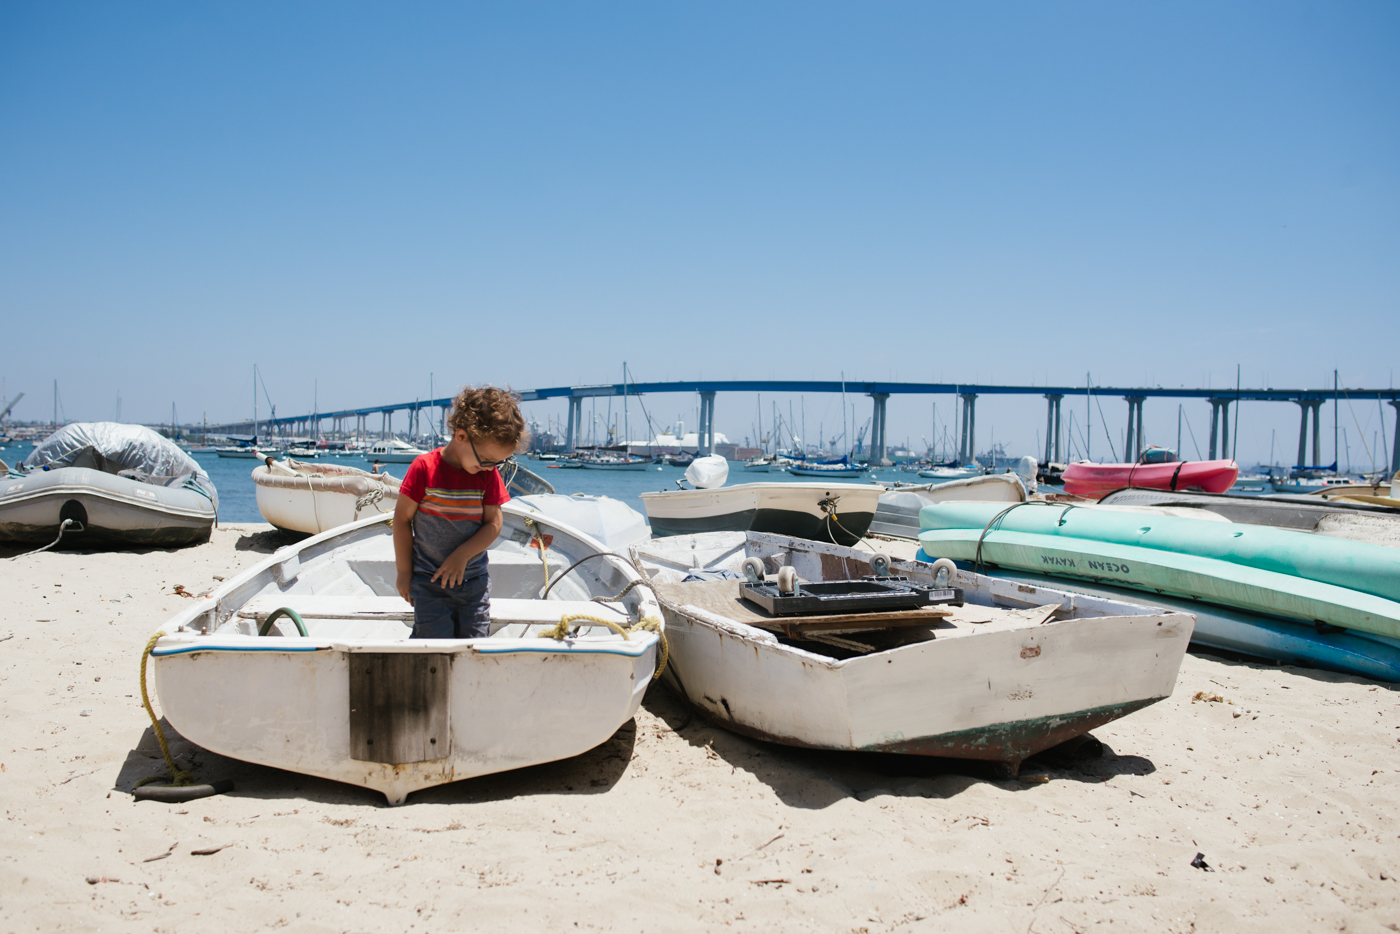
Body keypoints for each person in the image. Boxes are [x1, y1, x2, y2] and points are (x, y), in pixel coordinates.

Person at [393, 386, 526, 638]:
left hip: (473, 582)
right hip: (429, 581)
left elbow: (494, 525)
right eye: (486, 460)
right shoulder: (424, 468)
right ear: (462, 436)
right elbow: (401, 520)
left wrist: (461, 556)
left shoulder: (488, 475)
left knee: (475, 646)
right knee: (433, 644)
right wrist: (404, 573)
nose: (490, 468)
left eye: (498, 463)